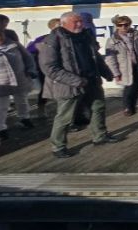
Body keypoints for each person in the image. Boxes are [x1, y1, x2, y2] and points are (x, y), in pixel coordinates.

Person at [41, 11, 118, 158]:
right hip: (69, 84)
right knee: (65, 117)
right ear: (64, 23)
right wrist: (76, 80)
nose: (80, 24)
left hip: (91, 79)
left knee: (98, 108)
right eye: (75, 22)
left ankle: (100, 135)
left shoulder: (85, 36)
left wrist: (106, 72)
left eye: (80, 21)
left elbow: (95, 57)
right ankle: (58, 146)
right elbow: (50, 68)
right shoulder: (53, 39)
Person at [104, 15, 138, 116]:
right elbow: (110, 58)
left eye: (126, 24)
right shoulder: (112, 40)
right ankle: (127, 107)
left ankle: (133, 106)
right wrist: (116, 73)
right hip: (124, 67)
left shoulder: (137, 34)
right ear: (116, 26)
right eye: (120, 25)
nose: (123, 27)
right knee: (129, 87)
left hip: (137, 65)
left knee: (137, 86)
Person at [0, 29, 37, 142]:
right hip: (2, 82)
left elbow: (28, 57)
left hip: (19, 78)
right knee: (1, 107)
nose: (0, 39)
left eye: (1, 36)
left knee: (22, 100)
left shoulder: (14, 44)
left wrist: (31, 70)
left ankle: (25, 118)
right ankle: (1, 129)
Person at [26, 17, 60, 118]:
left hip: (63, 68)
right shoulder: (43, 38)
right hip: (45, 69)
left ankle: (64, 111)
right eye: (59, 26)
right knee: (45, 89)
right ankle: (41, 109)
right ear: (52, 27)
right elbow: (29, 51)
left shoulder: (68, 38)